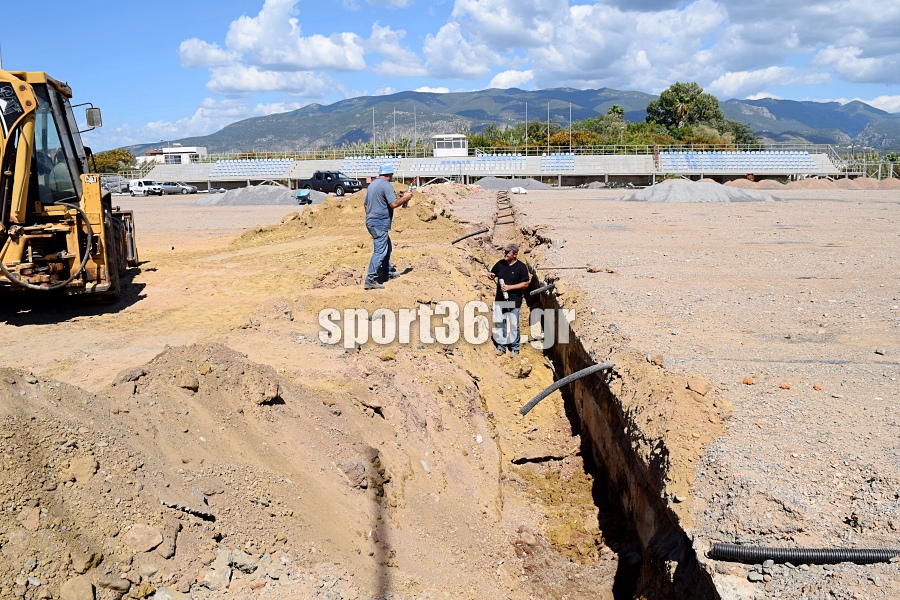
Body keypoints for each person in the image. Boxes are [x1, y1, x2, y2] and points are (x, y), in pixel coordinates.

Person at [363, 165, 412, 290]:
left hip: (372, 221)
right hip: (379, 223)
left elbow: (365, 205)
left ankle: (386, 272)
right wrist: (405, 198)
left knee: (387, 247)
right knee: (380, 251)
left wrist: (371, 216)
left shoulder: (372, 185)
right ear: (389, 175)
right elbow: (393, 204)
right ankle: (370, 279)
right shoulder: (386, 185)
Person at [487, 242, 530, 356]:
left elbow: (525, 284)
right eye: (505, 251)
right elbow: (493, 273)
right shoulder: (500, 264)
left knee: (513, 324)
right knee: (500, 323)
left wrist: (510, 287)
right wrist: (491, 275)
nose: (505, 254)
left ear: (515, 254)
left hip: (514, 300)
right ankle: (501, 346)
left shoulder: (521, 267)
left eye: (508, 252)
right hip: (500, 300)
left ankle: (515, 348)